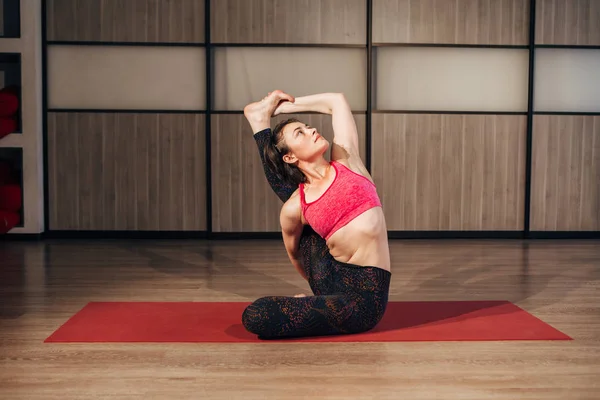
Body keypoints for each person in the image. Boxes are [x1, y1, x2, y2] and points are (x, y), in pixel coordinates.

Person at [241, 90, 392, 339]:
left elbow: (337, 101)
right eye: (300, 133)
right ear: (289, 156)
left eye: (308, 126)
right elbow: (296, 255)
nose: (312, 130)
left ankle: (260, 121)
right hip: (328, 277)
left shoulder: (347, 160)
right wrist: (319, 291)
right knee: (256, 315)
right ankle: (260, 121)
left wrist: (281, 108)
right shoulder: (295, 207)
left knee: (299, 197)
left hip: (363, 300)